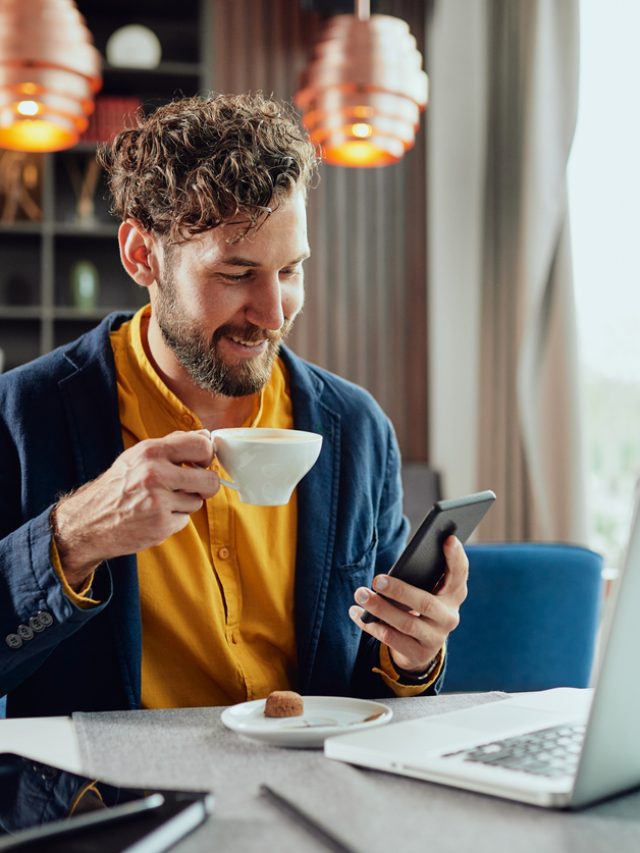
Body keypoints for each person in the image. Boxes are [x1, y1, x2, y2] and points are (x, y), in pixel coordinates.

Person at [0, 94, 468, 717]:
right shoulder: (23, 415)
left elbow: (370, 690)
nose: (274, 315)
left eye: (291, 271)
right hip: (114, 801)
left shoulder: (356, 429)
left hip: (309, 788)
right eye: (236, 273)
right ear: (142, 255)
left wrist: (413, 657)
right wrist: (75, 537)